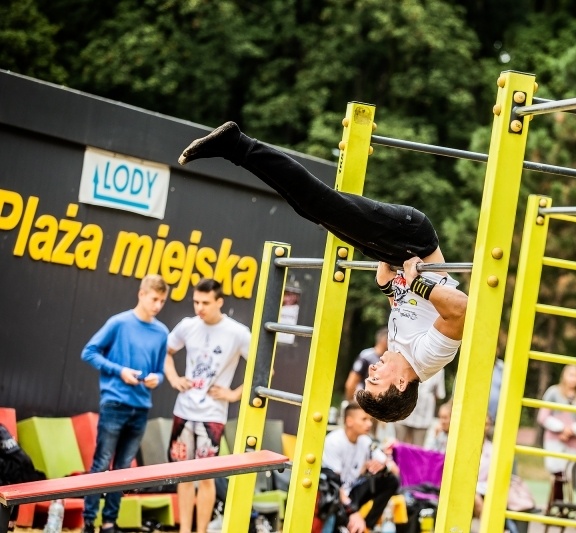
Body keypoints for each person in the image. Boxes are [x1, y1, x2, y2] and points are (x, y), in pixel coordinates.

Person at [179, 122, 468, 423]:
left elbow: (413, 312)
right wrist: (416, 283)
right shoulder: (427, 358)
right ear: (400, 383)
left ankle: (235, 147)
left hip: (400, 253)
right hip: (413, 239)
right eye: (375, 380)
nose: (371, 370)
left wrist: (389, 289)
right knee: (319, 203)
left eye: (368, 378)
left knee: (310, 209)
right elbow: (460, 310)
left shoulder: (398, 355)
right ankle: (235, 144)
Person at [80, 274, 169, 533]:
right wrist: (120, 371)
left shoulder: (162, 332)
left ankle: (109, 523)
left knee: (123, 469)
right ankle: (89, 522)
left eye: (162, 301)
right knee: (101, 463)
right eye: (154, 299)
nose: (158, 305)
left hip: (141, 407)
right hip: (115, 404)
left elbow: (160, 371)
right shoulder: (118, 323)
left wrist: (157, 379)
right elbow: (89, 352)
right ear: (141, 294)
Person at [163, 278, 251, 533]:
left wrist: (234, 394)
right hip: (183, 410)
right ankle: (184, 530)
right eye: (196, 302)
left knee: (206, 477)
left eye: (205, 303)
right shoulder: (188, 325)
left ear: (219, 302)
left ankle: (200, 531)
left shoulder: (237, 332)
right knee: (183, 475)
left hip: (212, 414)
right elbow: (165, 351)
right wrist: (174, 378)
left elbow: (265, 368)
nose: (199, 308)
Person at [321, 402, 400, 533]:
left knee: (391, 480)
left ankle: (368, 525)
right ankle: (347, 523)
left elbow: (396, 471)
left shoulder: (365, 441)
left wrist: (383, 467)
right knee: (336, 499)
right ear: (349, 421)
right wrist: (351, 511)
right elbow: (335, 485)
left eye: (370, 419)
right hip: (336, 496)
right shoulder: (334, 442)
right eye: (364, 419)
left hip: (352, 492)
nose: (369, 424)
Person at [537, 365, 576, 504]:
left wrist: (571, 430)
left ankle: (561, 504)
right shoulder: (553, 392)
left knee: (568, 472)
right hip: (554, 439)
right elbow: (543, 416)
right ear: (564, 375)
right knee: (556, 472)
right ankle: (558, 502)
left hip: (572, 442)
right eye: (571, 375)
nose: (574, 379)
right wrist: (561, 428)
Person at [0, 423, 46, 531]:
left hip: (18, 474)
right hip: (23, 472)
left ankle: (9, 521)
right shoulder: (2, 428)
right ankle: (9, 521)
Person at [394, 369, 445, 447]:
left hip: (423, 419)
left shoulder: (439, 370)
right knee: (399, 445)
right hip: (403, 414)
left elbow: (439, 394)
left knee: (417, 448)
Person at [344, 328, 389, 401]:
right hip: (361, 400)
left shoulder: (388, 360)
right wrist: (350, 402)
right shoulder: (366, 356)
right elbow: (351, 382)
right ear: (384, 340)